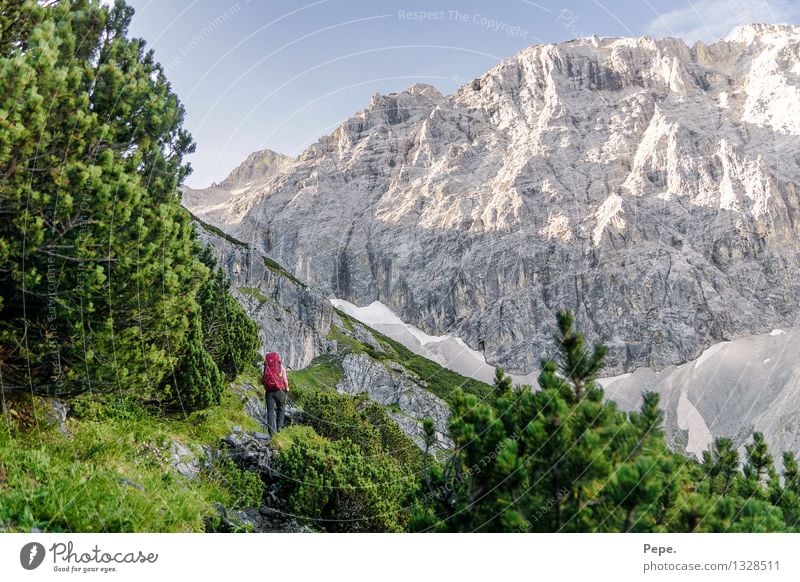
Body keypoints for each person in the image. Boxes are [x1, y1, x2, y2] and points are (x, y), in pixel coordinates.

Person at [262, 351, 289, 437]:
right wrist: (287, 388)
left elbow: (263, 380)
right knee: (281, 410)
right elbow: (285, 380)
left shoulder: (266, 368)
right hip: (280, 391)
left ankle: (271, 434)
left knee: (270, 411)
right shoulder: (281, 368)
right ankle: (279, 430)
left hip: (269, 392)